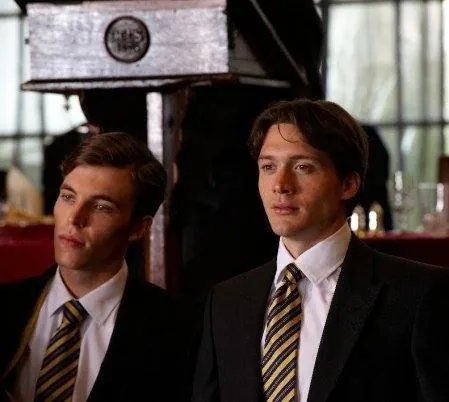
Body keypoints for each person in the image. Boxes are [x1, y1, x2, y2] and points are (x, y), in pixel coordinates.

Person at [192, 99, 449, 402]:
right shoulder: (227, 302)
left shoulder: (418, 295)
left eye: (303, 167)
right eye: (268, 167)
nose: (280, 185)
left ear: (348, 184)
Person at [0, 132, 195, 401]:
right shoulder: (6, 305)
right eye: (68, 197)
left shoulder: (180, 329)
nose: (74, 218)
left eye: (102, 206)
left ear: (138, 228)